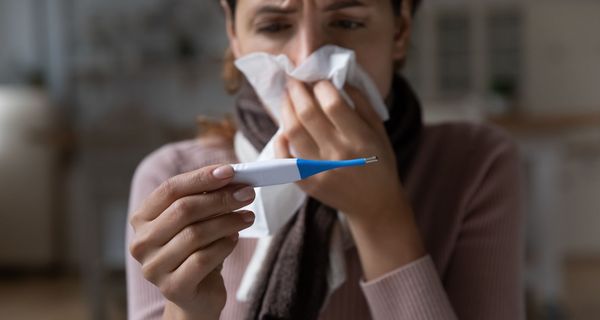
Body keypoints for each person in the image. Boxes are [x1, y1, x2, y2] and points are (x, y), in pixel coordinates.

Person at [126, 0, 524, 319]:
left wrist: (381, 216)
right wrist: (188, 310)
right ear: (234, 34)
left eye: (348, 22)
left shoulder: (475, 164)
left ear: (399, 29)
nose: (307, 59)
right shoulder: (175, 178)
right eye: (274, 25)